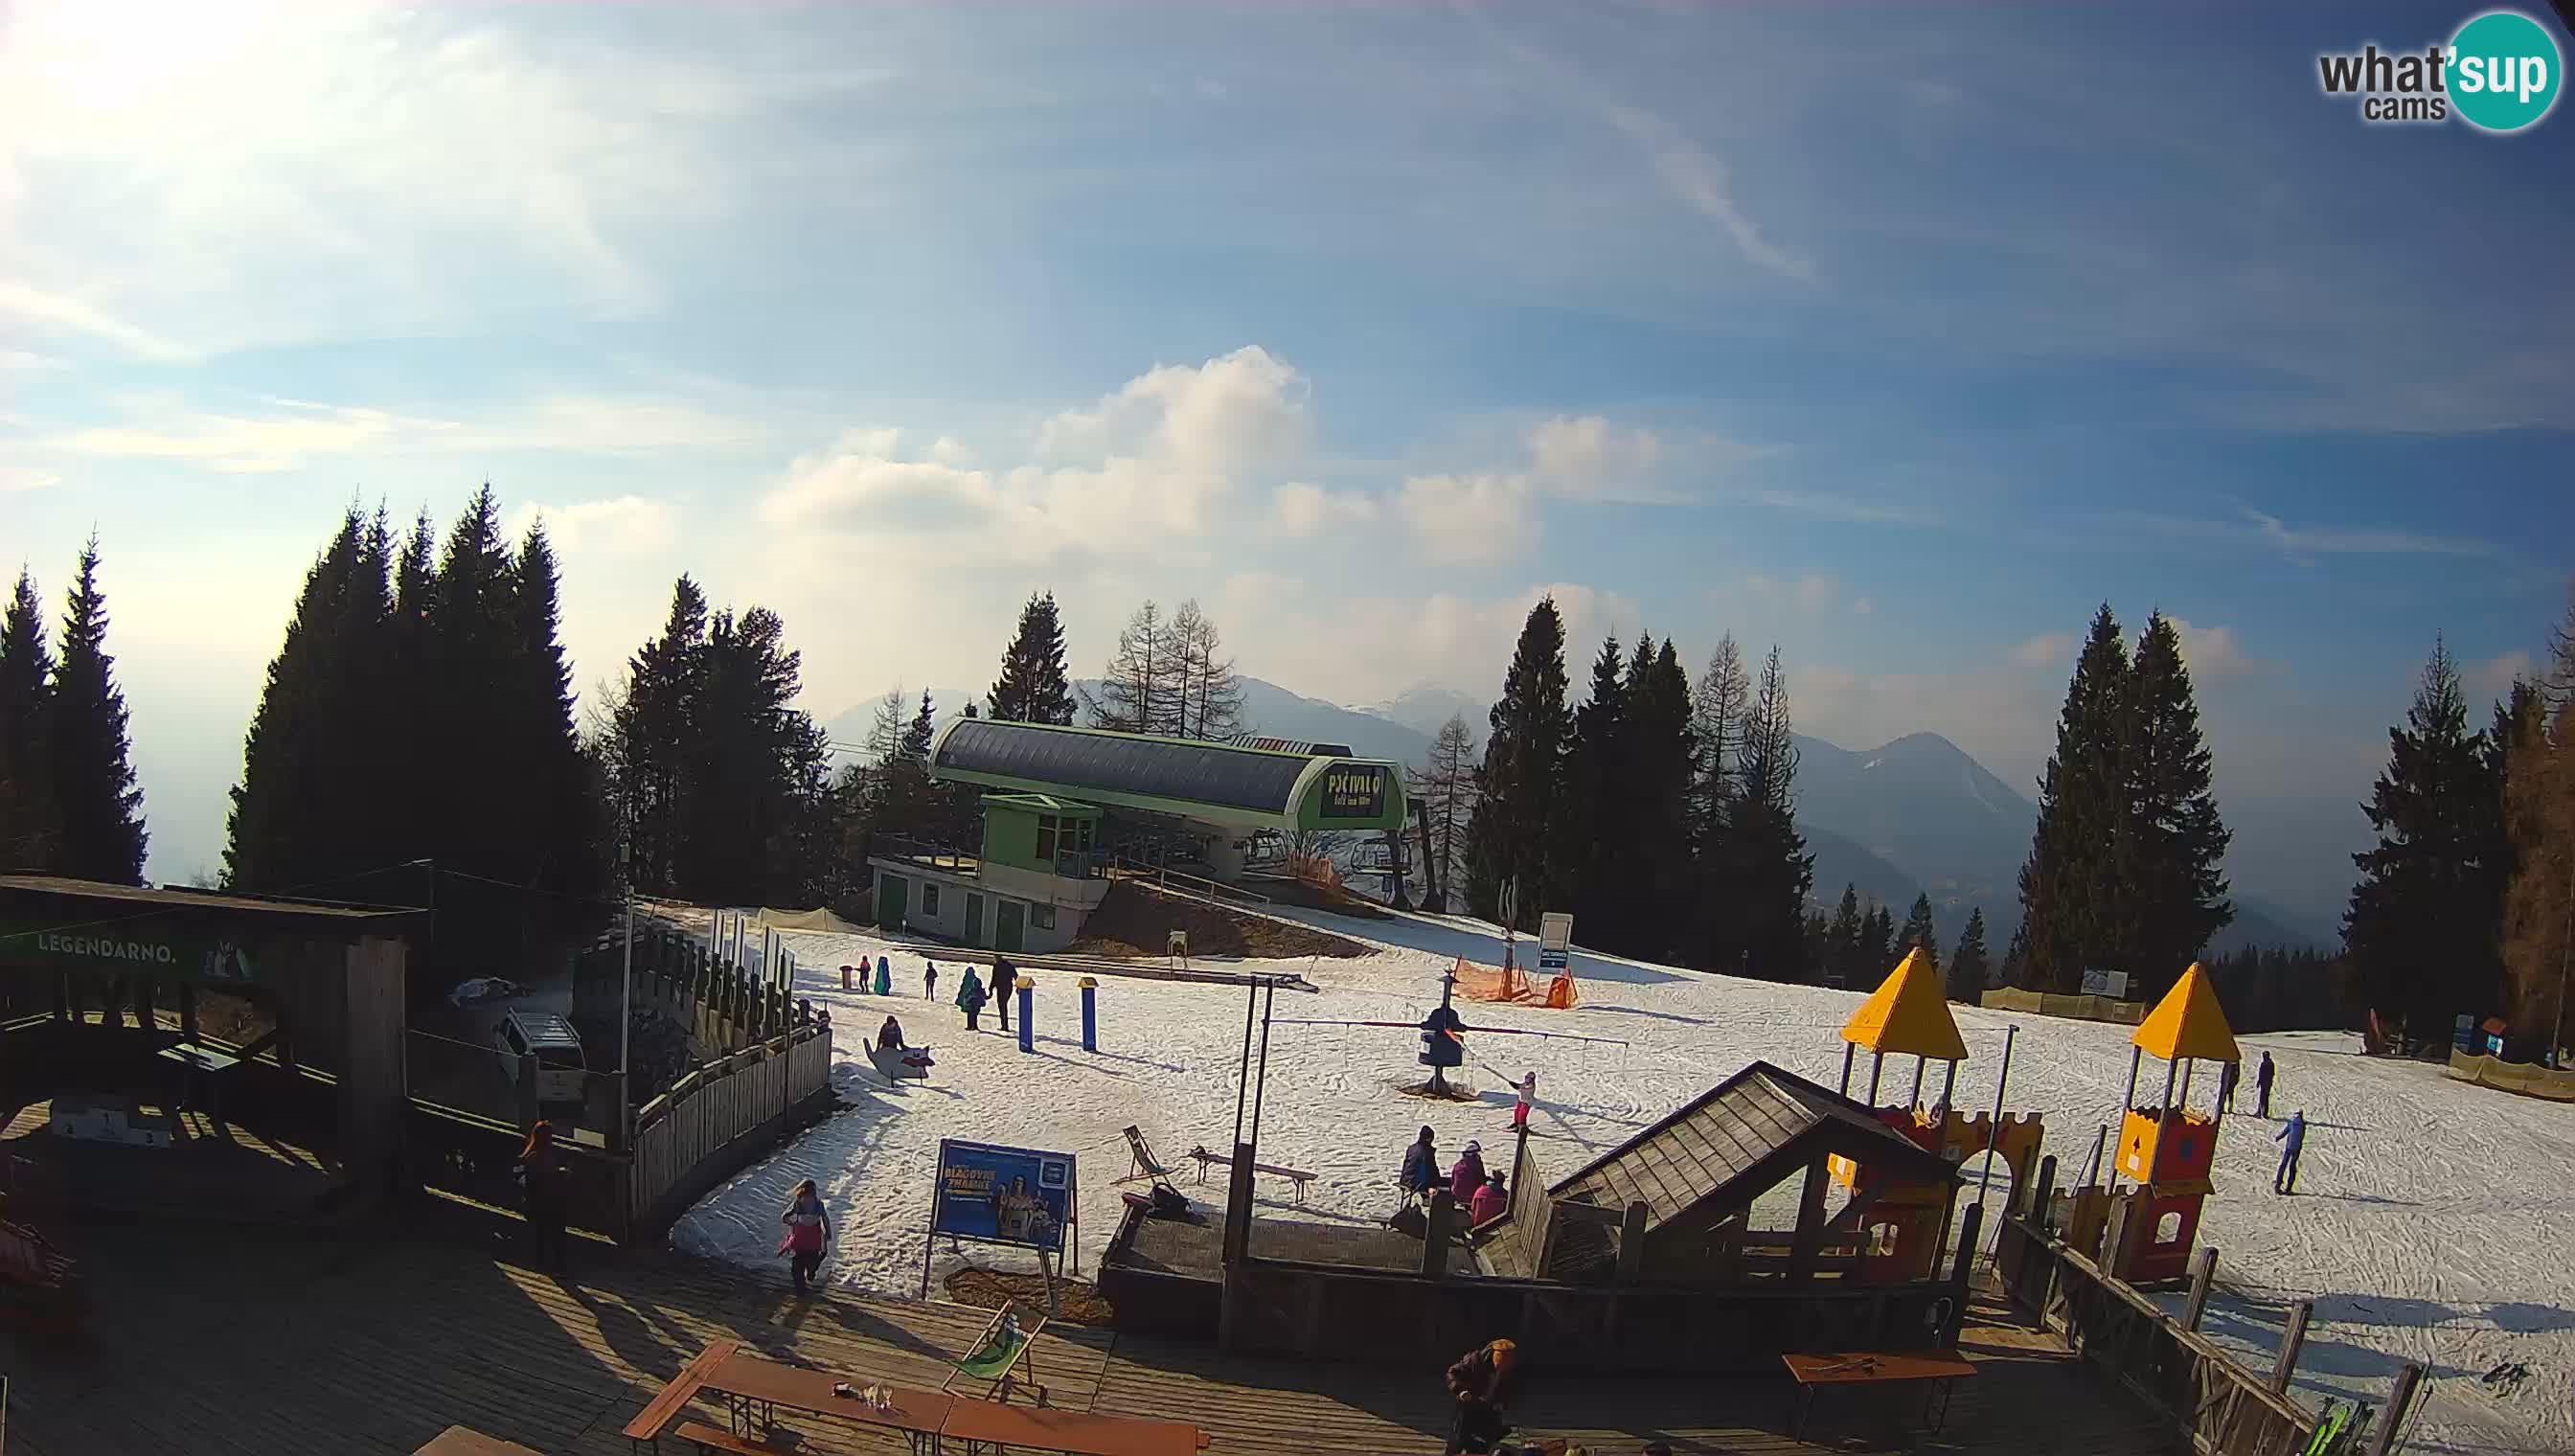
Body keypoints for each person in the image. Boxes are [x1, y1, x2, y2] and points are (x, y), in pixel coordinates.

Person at [1444, 1337, 1519, 1455]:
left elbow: (1509, 1388)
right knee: (1458, 1440)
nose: (1501, 1369)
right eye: (1500, 1363)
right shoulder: (1474, 1361)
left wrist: (1502, 1402)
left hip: (1489, 1410)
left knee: (1485, 1444)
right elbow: (1452, 1374)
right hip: (1468, 1406)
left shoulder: (1509, 1370)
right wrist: (1461, 1391)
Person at [516, 1120, 569, 1273]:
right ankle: (558, 1264)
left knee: (541, 1233)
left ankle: (542, 1262)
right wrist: (560, 1173)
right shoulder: (543, 1156)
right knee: (557, 1231)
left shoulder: (530, 1155)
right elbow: (546, 1178)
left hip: (535, 1202)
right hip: (545, 1202)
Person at [780, 1177, 830, 1293]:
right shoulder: (802, 1204)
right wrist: (793, 1224)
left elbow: (785, 1217)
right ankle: (803, 1283)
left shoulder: (813, 1204)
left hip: (808, 1237)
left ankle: (807, 1277)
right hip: (806, 1237)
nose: (809, 1198)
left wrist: (827, 1232)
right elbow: (785, 1217)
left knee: (807, 1259)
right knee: (803, 1261)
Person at [1399, 1126, 1442, 1206]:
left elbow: (1406, 1166)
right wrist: (1438, 1182)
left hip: (1405, 1180)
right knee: (1438, 1186)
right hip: (1416, 1183)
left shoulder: (1411, 1148)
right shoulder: (1427, 1151)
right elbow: (1431, 1169)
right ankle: (1428, 1201)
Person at [2273, 1109, 2306, 1194]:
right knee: (2292, 1167)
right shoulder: (2302, 1125)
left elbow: (2285, 1132)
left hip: (2289, 1147)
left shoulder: (2291, 1123)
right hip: (2296, 1149)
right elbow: (2301, 1137)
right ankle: (2288, 1189)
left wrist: (2278, 1138)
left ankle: (2277, 1185)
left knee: (2283, 1165)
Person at [1448, 1139, 1488, 1204]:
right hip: (1473, 1198)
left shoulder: (1457, 1165)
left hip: (1458, 1198)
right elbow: (1482, 1181)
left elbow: (1452, 1181)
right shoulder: (1477, 1165)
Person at [957, 966, 988, 1031]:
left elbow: (965, 991)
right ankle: (974, 1026)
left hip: (970, 1002)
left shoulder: (968, 981)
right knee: (974, 1015)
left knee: (970, 1015)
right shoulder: (977, 983)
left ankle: (970, 1026)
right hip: (976, 1004)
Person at [2256, 1051, 2277, 1119]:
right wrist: (2259, 1081)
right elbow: (2261, 1074)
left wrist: (2264, 1082)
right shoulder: (2267, 1063)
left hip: (2266, 1084)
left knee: (2264, 1098)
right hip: (2265, 1083)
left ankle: (2262, 1113)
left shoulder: (2268, 1063)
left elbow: (2271, 1074)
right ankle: (2261, 1112)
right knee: (2263, 1098)